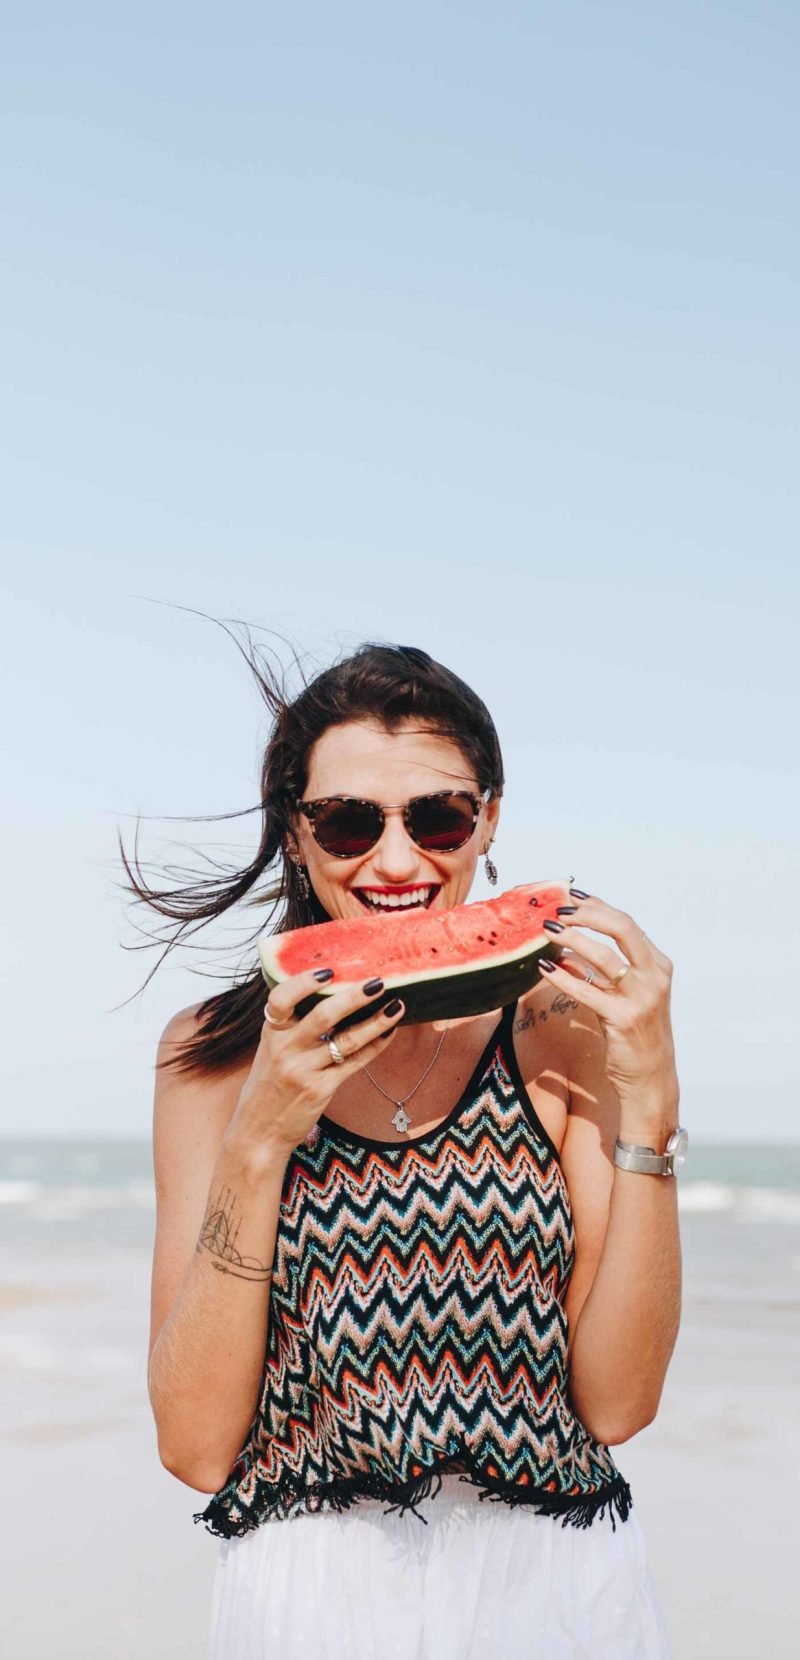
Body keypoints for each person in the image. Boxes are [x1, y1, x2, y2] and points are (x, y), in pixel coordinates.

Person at [134, 639, 682, 1659]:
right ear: (293, 835)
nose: (395, 861)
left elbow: (615, 1402)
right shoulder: (211, 1058)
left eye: (437, 816)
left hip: (553, 1581)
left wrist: (648, 1098)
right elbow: (195, 1445)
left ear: (488, 822)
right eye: (347, 821)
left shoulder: (560, 1033)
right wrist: (261, 1135)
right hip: (306, 1593)